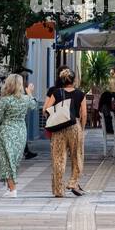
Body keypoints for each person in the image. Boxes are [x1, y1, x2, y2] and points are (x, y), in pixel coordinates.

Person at [43, 67, 86, 198]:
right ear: (74, 80)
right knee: (77, 155)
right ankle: (73, 182)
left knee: (58, 158)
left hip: (59, 128)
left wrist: (52, 120)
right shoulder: (80, 94)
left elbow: (46, 110)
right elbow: (83, 114)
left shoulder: (56, 93)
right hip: (75, 126)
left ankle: (58, 190)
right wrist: (82, 128)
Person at [0, 74, 38, 197]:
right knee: (14, 159)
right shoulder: (25, 99)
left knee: (7, 159)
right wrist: (29, 93)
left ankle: (13, 189)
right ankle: (10, 188)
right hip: (21, 131)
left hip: (6, 131)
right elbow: (34, 106)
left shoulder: (5, 100)